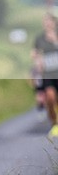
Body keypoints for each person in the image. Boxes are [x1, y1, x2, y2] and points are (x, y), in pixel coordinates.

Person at [32, 12, 58, 140]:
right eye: (45, 21)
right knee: (50, 97)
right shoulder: (39, 38)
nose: (47, 24)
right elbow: (35, 53)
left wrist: (55, 41)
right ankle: (54, 124)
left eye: (49, 21)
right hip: (48, 74)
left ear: (54, 23)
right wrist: (37, 60)